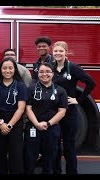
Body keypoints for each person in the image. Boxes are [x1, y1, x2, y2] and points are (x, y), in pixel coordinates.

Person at [52, 41, 96, 174]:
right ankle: (56, 171)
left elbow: (91, 83)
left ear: (66, 52)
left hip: (69, 112)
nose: (58, 53)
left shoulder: (73, 68)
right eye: (55, 51)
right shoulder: (50, 67)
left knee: (69, 145)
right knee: (55, 145)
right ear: (52, 52)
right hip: (53, 112)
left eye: (61, 51)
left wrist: (78, 99)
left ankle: (72, 171)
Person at [24, 62, 68, 174]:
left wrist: (48, 124)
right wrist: (37, 124)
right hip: (33, 127)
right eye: (41, 72)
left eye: (48, 71)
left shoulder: (60, 91)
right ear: (37, 74)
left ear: (53, 74)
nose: (44, 74)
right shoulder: (31, 89)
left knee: (50, 158)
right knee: (30, 158)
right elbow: (28, 109)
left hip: (52, 128)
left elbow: (62, 111)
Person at [0, 57, 27, 174]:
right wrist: (0, 123)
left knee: (16, 155)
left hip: (15, 123)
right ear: (0, 69)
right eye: (5, 68)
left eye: (10, 68)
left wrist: (10, 125)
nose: (7, 71)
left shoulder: (20, 85)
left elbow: (21, 108)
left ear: (15, 69)